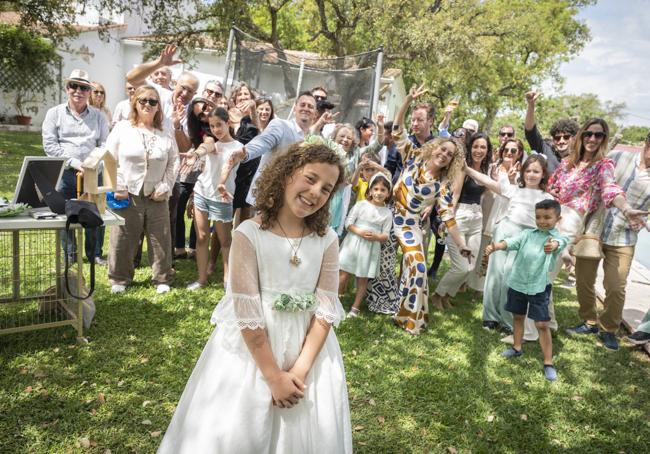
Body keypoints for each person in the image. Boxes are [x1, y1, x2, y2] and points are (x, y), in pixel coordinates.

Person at [157, 142, 351, 453]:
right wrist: (274, 377)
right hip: (254, 352)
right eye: (310, 178)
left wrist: (298, 372)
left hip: (308, 353)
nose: (316, 192)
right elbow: (246, 312)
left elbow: (326, 310)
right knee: (242, 430)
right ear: (286, 174)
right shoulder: (249, 234)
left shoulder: (327, 239)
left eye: (327, 189)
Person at [544, 118, 645, 347]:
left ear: (604, 139)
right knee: (542, 272)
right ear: (581, 135)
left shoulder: (604, 165)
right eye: (589, 133)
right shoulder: (568, 162)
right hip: (554, 219)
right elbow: (552, 187)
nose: (592, 139)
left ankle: (543, 323)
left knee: (547, 275)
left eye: (598, 135)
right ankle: (541, 320)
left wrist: (626, 208)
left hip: (572, 225)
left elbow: (611, 189)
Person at [573, 131, 650, 350]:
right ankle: (589, 321)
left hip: (624, 236)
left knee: (616, 286)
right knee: (584, 280)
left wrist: (641, 218)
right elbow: (593, 182)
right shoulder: (618, 157)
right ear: (646, 142)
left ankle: (608, 329)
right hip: (594, 229)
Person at [391, 136, 472, 335]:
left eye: (449, 154)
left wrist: (461, 244)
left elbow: (448, 216)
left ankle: (408, 318)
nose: (444, 155)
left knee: (418, 268)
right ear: (435, 147)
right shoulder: (414, 157)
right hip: (388, 216)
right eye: (442, 149)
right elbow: (397, 131)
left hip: (410, 226)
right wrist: (407, 103)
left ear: (452, 161)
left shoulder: (442, 185)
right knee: (388, 268)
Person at [464, 154, 553, 331]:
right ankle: (490, 317)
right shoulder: (514, 189)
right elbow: (487, 181)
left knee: (511, 279)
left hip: (526, 238)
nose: (531, 174)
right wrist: (466, 169)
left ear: (543, 174)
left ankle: (507, 319)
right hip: (505, 232)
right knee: (495, 275)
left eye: (536, 171)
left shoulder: (548, 198)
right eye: (528, 170)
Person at [485, 199, 569, 381]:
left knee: (542, 324)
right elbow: (512, 242)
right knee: (518, 317)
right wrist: (497, 246)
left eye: (548, 217)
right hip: (518, 283)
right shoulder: (527, 234)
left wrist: (553, 245)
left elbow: (560, 242)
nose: (542, 221)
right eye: (539, 217)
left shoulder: (555, 237)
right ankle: (517, 348)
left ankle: (548, 362)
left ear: (558, 219)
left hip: (539, 286)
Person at [105, 86, 177, 294]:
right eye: (143, 100)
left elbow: (174, 161)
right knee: (123, 237)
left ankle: (162, 277)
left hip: (157, 195)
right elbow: (109, 159)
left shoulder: (165, 131)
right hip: (128, 193)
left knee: (160, 237)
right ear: (135, 103)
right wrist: (118, 185)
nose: (147, 104)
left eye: (153, 101)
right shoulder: (122, 128)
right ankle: (119, 278)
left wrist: (166, 186)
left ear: (158, 107)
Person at [42, 69, 109, 265]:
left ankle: (95, 253)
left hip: (92, 172)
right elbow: (50, 145)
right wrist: (74, 162)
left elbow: (105, 144)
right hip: (65, 172)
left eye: (84, 87)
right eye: (74, 86)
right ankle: (69, 254)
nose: (78, 91)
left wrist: (91, 164)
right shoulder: (54, 113)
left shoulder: (98, 116)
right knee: (65, 213)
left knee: (96, 212)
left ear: (89, 91)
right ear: (67, 88)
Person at [431, 132, 491, 309]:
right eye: (475, 146)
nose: (478, 150)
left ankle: (447, 296)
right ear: (470, 148)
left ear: (487, 150)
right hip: (460, 217)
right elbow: (455, 194)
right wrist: (447, 218)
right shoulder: (463, 168)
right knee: (461, 267)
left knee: (471, 266)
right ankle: (437, 294)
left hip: (477, 218)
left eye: (483, 147)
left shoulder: (485, 171)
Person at [185, 108, 242, 289]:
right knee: (201, 237)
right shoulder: (211, 142)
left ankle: (227, 281)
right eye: (212, 126)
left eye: (219, 125)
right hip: (201, 193)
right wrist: (195, 155)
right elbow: (206, 147)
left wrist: (222, 183)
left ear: (228, 123)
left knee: (225, 241)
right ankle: (201, 280)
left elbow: (228, 167)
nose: (216, 129)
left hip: (222, 198)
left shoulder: (238, 147)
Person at [230, 91, 318, 207]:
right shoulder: (280, 125)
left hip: (289, 202)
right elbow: (264, 141)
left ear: (315, 114)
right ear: (295, 108)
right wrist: (246, 153)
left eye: (310, 106)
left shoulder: (313, 140)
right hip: (266, 195)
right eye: (302, 105)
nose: (306, 108)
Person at [339, 173, 393, 317]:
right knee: (343, 274)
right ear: (369, 191)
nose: (378, 193)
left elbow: (386, 235)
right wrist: (359, 231)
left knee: (362, 278)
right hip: (353, 242)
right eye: (375, 189)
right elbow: (348, 223)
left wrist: (376, 236)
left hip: (370, 248)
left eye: (383, 190)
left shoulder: (387, 213)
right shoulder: (361, 205)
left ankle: (355, 308)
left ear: (388, 193)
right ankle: (335, 300)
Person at [524, 90, 579, 173]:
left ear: (573, 138)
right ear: (553, 139)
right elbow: (530, 131)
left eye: (566, 137)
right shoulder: (546, 150)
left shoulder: (581, 156)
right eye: (557, 138)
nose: (561, 141)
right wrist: (531, 105)